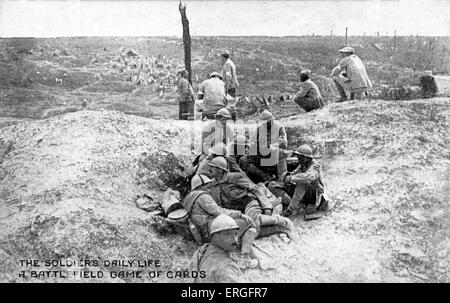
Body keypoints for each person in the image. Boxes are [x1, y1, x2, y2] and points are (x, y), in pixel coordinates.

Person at [207, 157, 294, 240]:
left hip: (249, 203)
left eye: (212, 167)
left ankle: (279, 222)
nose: (210, 169)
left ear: (220, 170)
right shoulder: (213, 185)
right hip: (237, 211)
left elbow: (255, 188)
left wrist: (266, 206)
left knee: (253, 227)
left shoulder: (234, 177)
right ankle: (272, 225)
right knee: (242, 230)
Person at [183, 175, 258, 267]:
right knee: (249, 224)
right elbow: (219, 212)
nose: (209, 188)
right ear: (200, 186)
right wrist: (239, 214)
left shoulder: (188, 198)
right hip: (211, 231)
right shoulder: (203, 196)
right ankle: (244, 258)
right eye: (207, 185)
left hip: (202, 232)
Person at [268, 144, 329, 218]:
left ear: (306, 158)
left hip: (314, 194)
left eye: (300, 158)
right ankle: (295, 204)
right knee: (272, 185)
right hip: (302, 192)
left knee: (302, 182)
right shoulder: (303, 164)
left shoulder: (315, 166)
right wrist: (287, 175)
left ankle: (291, 207)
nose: (298, 160)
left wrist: (291, 178)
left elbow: (307, 177)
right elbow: (296, 172)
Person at [188, 214, 244, 282]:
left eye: (235, 234)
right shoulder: (226, 267)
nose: (234, 240)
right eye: (227, 234)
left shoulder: (201, 251)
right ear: (215, 237)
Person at [239, 110, 288, 184]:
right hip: (261, 155)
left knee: (281, 152)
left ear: (271, 120)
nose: (265, 125)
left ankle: (282, 180)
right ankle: (265, 176)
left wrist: (270, 146)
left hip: (273, 154)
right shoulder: (260, 128)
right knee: (244, 160)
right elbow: (253, 142)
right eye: (264, 123)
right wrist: (250, 147)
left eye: (267, 123)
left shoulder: (279, 127)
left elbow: (284, 143)